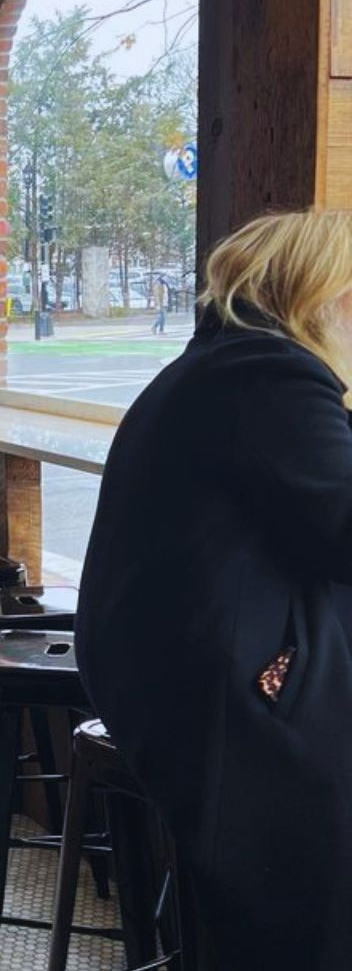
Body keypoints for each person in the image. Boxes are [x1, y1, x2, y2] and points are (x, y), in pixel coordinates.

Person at [75, 210, 352, 969]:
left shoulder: (222, 367)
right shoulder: (270, 377)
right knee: (307, 913)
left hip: (161, 669)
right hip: (215, 691)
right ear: (321, 296)